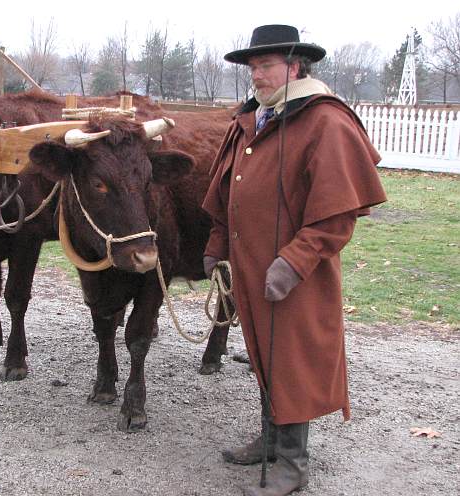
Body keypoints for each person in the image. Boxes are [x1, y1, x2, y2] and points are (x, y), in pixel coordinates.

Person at [201, 25, 387, 496]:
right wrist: (218, 244)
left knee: (293, 359)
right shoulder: (256, 117)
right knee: (263, 351)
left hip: (294, 272)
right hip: (249, 264)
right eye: (252, 67)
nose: (256, 75)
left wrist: (294, 262)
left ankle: (291, 462)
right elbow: (230, 190)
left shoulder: (324, 119)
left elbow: (338, 212)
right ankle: (269, 438)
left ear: (295, 65)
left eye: (265, 65)